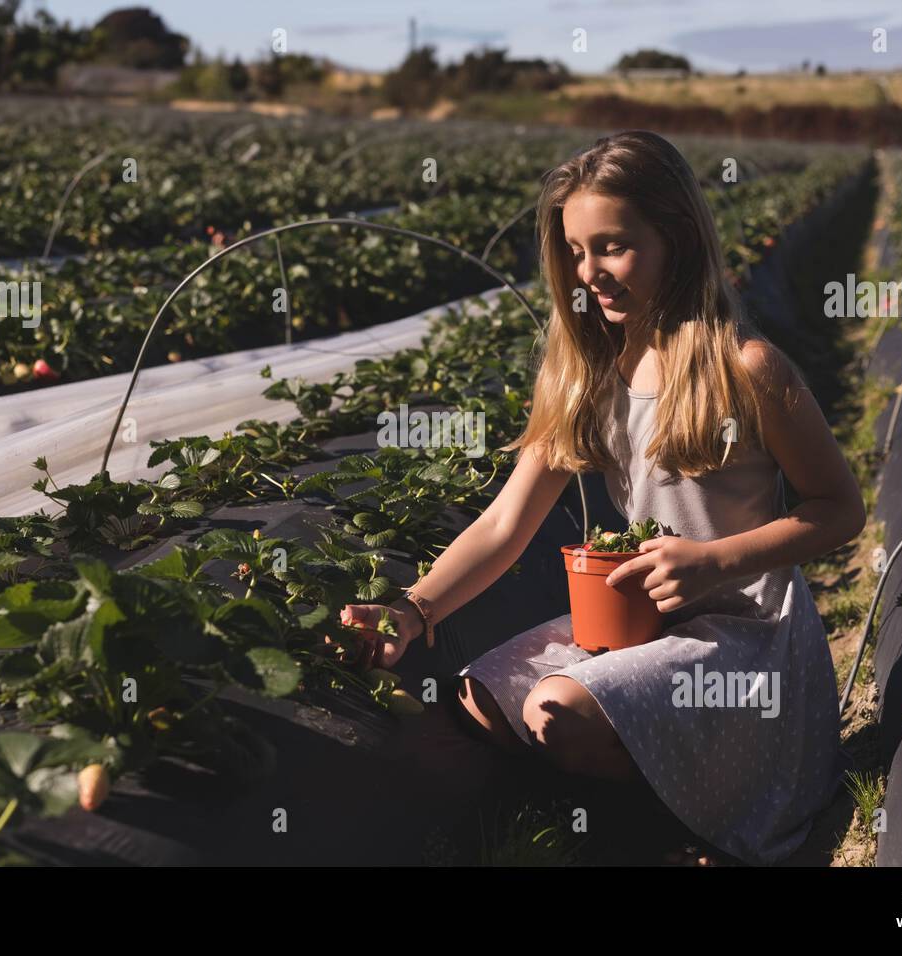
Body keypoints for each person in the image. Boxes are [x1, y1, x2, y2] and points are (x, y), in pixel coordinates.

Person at [339, 130, 866, 865]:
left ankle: (676, 833)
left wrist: (715, 560)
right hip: (645, 619)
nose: (592, 274)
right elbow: (502, 525)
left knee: (558, 714)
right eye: (577, 253)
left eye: (613, 247)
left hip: (748, 634)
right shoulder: (585, 372)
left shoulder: (745, 368)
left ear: (676, 237)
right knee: (480, 702)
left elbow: (839, 509)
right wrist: (412, 609)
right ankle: (624, 793)